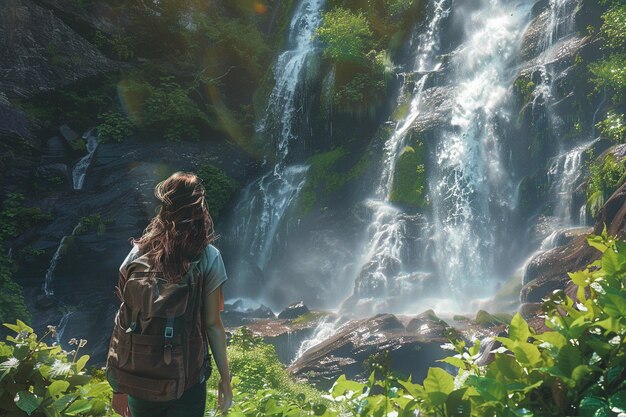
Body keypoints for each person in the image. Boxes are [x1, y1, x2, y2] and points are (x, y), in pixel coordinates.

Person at [111, 171, 233, 416]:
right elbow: (212, 324)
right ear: (200, 207)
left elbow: (125, 319)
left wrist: (118, 386)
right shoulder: (209, 256)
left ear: (165, 206)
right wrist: (225, 379)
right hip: (187, 379)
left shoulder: (138, 253)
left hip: (139, 376)